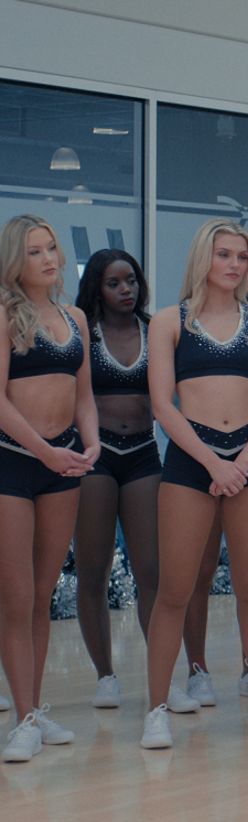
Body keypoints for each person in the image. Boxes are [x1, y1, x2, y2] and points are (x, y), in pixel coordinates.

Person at [140, 218, 248, 749]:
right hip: (191, 461)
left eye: (241, 257)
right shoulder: (169, 321)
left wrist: (242, 461)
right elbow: (164, 404)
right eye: (224, 254)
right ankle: (156, 707)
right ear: (204, 258)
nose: (233, 265)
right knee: (175, 592)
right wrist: (212, 462)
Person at [0, 215, 99, 762]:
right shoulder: (3, 314)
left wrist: (90, 444)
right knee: (16, 599)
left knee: (42, 595)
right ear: (16, 258)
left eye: (53, 248)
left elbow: (83, 394)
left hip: (65, 463)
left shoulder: (75, 317)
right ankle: (21, 719)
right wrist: (45, 451)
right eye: (35, 250)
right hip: (15, 463)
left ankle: (32, 710)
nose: (48, 258)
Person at [71, 250, 163, 710]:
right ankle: (105, 674)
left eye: (131, 280)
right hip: (95, 455)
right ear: (97, 288)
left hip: (144, 452)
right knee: (93, 569)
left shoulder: (157, 331)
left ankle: (160, 676)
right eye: (114, 283)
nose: (126, 289)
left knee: (152, 572)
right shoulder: (82, 332)